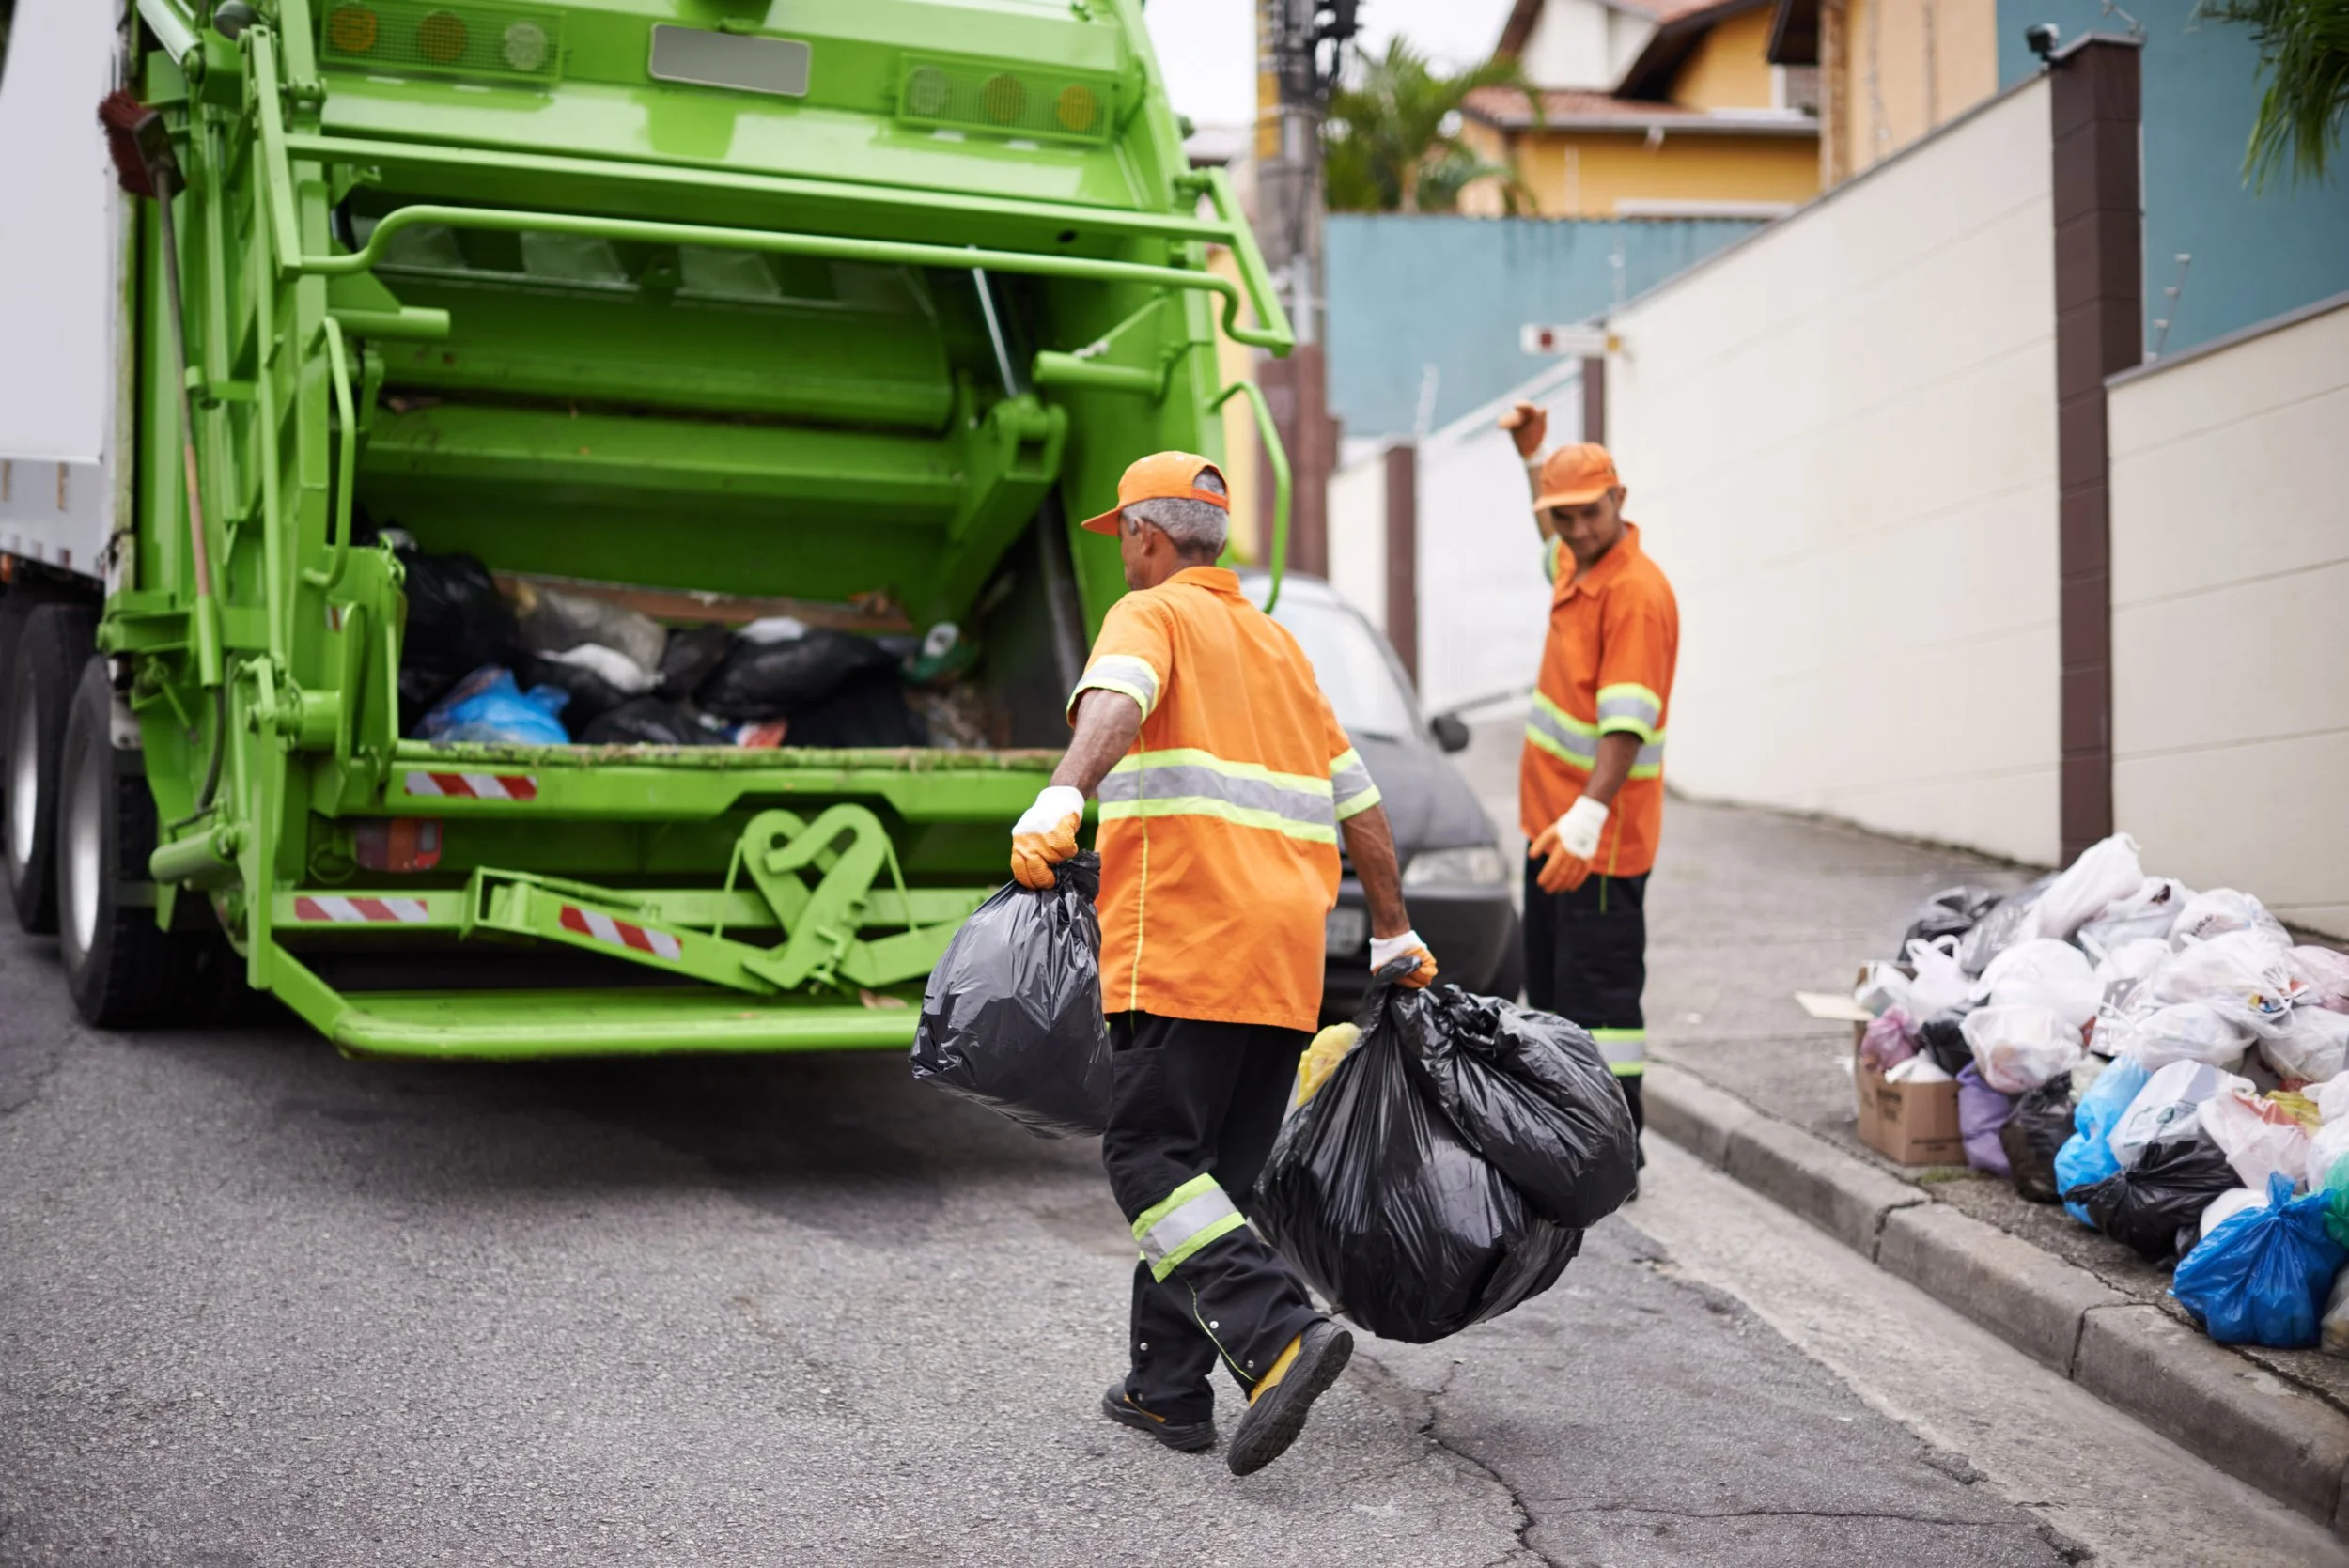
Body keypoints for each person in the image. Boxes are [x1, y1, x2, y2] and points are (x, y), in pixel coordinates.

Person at [1007, 451, 1438, 1476]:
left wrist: (1062, 794)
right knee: (1207, 1185)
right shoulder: (1283, 649)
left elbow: (1113, 700)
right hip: (1283, 963)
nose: (1121, 555)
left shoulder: (1151, 615)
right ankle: (1166, 1392)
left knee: (1148, 1160)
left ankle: (1278, 1328)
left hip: (1185, 942)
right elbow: (1361, 804)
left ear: (1150, 540)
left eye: (1122, 539)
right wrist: (1391, 929)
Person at [1496, 402, 1679, 1159]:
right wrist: (1532, 457)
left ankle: (1614, 1150)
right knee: (1557, 995)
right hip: (1554, 831)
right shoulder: (1580, 564)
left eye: (1587, 514)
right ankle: (1568, 1136)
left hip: (1597, 845)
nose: (1574, 529)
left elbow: (1625, 727)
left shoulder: (1635, 594)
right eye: (1564, 517)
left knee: (1604, 1006)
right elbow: (1551, 539)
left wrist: (1585, 820)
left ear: (1620, 501)